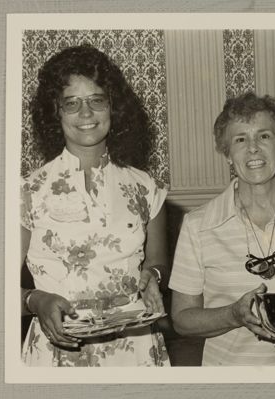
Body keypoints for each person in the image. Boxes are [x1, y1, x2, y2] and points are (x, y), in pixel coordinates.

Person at [20, 45, 170, 366]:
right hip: (59, 349)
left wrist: (153, 275)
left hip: (135, 347)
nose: (86, 114)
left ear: (113, 108)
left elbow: (157, 261)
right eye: (71, 103)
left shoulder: (147, 188)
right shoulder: (27, 192)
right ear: (54, 111)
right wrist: (36, 299)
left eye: (96, 100)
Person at [169, 92, 275, 366]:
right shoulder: (199, 225)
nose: (253, 148)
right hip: (228, 382)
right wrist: (233, 315)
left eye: (264, 136)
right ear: (227, 153)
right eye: (240, 139)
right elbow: (182, 319)